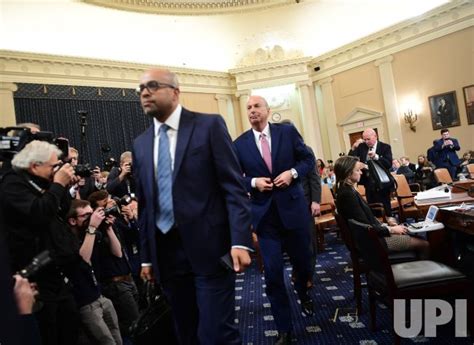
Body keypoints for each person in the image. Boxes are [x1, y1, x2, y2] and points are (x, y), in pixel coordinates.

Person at [133, 68, 253, 345]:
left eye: (152, 85)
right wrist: (147, 257)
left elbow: (233, 188)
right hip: (167, 256)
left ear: (175, 92)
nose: (145, 92)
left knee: (217, 334)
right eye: (140, 88)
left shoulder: (208, 125)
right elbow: (145, 207)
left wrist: (241, 240)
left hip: (210, 249)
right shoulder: (140, 144)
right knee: (187, 334)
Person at [233, 95, 315, 345]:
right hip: (264, 217)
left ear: (268, 110)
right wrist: (253, 182)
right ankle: (284, 329)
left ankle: (303, 289)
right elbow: (235, 177)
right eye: (248, 108)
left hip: (293, 212)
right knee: (272, 273)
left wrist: (292, 173)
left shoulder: (287, 132)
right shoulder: (240, 144)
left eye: (257, 106)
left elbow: (308, 160)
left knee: (303, 263)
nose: (252, 111)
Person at [0, 140, 80, 345]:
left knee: (70, 326)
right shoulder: (12, 184)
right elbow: (39, 213)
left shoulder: (42, 182)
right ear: (34, 166)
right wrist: (58, 184)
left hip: (56, 272)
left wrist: (61, 186)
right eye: (53, 166)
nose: (57, 170)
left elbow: (60, 210)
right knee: (49, 333)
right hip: (35, 278)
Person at [334, 155, 429, 259]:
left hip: (374, 237)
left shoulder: (347, 190)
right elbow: (365, 227)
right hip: (375, 242)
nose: (361, 172)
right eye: (357, 170)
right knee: (424, 244)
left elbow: (367, 220)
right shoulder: (347, 194)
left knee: (412, 234)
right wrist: (391, 230)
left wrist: (386, 225)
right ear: (348, 174)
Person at [66, 199, 122, 345]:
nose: (91, 218)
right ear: (72, 221)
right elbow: (83, 261)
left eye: (92, 214)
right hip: (86, 305)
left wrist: (108, 229)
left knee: (118, 340)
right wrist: (91, 228)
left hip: (101, 297)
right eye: (85, 216)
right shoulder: (68, 242)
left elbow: (118, 253)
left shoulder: (93, 234)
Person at [349, 128, 393, 216]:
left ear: (375, 136)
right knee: (372, 207)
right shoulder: (362, 147)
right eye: (364, 139)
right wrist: (353, 148)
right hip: (368, 181)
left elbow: (388, 164)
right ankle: (377, 226)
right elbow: (350, 159)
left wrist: (376, 157)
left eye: (368, 139)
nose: (366, 141)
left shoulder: (385, 147)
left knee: (385, 206)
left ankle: (390, 225)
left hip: (382, 182)